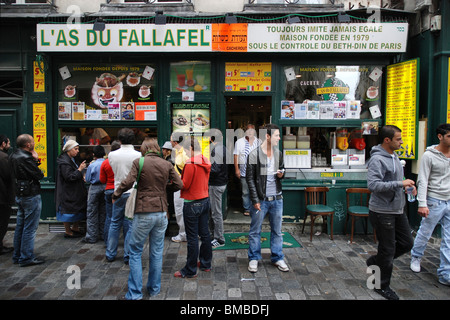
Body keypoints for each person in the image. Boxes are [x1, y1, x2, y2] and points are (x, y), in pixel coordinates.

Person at [113, 138, 182, 299]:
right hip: (161, 212)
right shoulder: (166, 164)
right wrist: (164, 188)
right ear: (157, 149)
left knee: (135, 251)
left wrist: (116, 194)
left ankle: (135, 293)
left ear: (144, 149)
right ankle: (154, 289)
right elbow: (179, 184)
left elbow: (128, 182)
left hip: (144, 211)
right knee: (157, 252)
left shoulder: (140, 162)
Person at [366, 125, 415, 300]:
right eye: (398, 139)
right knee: (387, 249)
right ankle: (381, 285)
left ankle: (375, 262)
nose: (401, 142)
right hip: (382, 210)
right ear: (387, 140)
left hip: (397, 208)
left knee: (407, 243)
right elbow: (373, 186)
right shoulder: (377, 160)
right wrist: (400, 184)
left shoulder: (394, 156)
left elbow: (396, 180)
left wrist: (407, 187)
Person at [410, 123, 450, 286]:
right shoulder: (429, 155)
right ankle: (416, 256)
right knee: (425, 231)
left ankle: (445, 273)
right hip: (434, 200)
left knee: (449, 238)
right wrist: (422, 203)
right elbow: (423, 180)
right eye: (449, 136)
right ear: (440, 137)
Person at [246, 124, 289, 273]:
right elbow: (250, 179)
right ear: (268, 136)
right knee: (255, 231)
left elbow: (283, 170)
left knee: (277, 231)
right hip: (261, 199)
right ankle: (254, 258)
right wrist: (255, 199)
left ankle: (277, 257)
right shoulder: (254, 155)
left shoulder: (279, 153)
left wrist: (281, 174)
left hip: (277, 198)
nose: (279, 138)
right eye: (276, 135)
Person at [174, 137, 212, 278]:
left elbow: (185, 184)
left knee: (192, 238)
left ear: (190, 148)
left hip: (192, 202)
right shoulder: (205, 160)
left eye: (185, 149)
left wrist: (175, 179)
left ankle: (190, 270)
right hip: (204, 200)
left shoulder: (190, 163)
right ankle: (205, 263)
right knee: (205, 234)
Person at [106, 128, 141, 264]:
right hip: (132, 192)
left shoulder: (112, 155)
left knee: (115, 222)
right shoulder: (138, 155)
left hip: (118, 191)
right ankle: (127, 254)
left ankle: (110, 253)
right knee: (130, 224)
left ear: (119, 140)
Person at [9, 134, 44, 266]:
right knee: (30, 227)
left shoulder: (13, 155)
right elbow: (39, 174)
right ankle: (26, 257)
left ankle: (17, 255)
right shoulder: (26, 158)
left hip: (19, 193)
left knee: (20, 226)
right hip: (30, 194)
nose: (35, 143)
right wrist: (35, 159)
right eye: (33, 141)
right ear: (28, 145)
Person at [55, 140, 88, 238]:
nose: (77, 151)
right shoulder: (65, 162)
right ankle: (68, 231)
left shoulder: (72, 159)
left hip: (75, 190)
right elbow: (69, 177)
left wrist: (81, 175)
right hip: (68, 191)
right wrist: (80, 170)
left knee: (77, 208)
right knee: (68, 210)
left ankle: (75, 228)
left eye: (78, 149)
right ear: (69, 149)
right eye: (75, 149)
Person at [233, 124, 261, 216]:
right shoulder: (239, 142)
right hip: (244, 171)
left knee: (256, 190)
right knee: (245, 192)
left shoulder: (259, 142)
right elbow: (236, 156)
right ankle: (247, 208)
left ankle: (256, 207)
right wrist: (237, 169)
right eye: (248, 130)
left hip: (256, 172)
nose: (250, 132)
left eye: (252, 131)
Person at [208, 129, 228, 247]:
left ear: (211, 138)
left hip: (216, 184)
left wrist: (205, 167)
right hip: (221, 182)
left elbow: (215, 169)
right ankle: (213, 234)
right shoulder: (223, 148)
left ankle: (219, 239)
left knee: (216, 212)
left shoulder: (216, 150)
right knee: (214, 211)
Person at [83, 145, 106, 243]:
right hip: (105, 187)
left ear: (94, 154)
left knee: (92, 212)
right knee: (103, 211)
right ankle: (103, 233)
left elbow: (87, 179)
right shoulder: (106, 163)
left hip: (94, 187)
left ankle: (92, 236)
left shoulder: (92, 165)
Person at [100, 140, 121, 245]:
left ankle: (107, 241)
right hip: (120, 191)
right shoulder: (121, 161)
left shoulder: (105, 162)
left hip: (108, 190)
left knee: (109, 217)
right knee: (124, 218)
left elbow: (102, 180)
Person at [170, 133, 189, 243]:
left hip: (181, 186)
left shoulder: (184, 155)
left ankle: (183, 234)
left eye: (171, 139)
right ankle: (184, 233)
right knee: (180, 210)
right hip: (179, 185)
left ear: (175, 142)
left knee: (180, 210)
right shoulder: (177, 151)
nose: (170, 141)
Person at [0, 135, 14, 255]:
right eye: (8, 143)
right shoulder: (4, 157)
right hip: (2, 196)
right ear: (3, 144)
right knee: (2, 222)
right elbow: (8, 175)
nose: (9, 145)